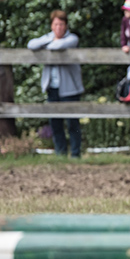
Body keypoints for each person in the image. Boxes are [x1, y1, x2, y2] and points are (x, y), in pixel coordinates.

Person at [27, 10, 84, 158]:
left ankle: (75, 154)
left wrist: (49, 44)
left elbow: (58, 47)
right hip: (52, 88)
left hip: (70, 89)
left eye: (61, 24)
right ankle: (60, 153)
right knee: (55, 123)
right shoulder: (48, 38)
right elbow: (31, 44)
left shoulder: (72, 38)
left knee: (73, 123)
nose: (58, 27)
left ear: (66, 26)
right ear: (52, 26)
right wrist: (49, 40)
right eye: (56, 24)